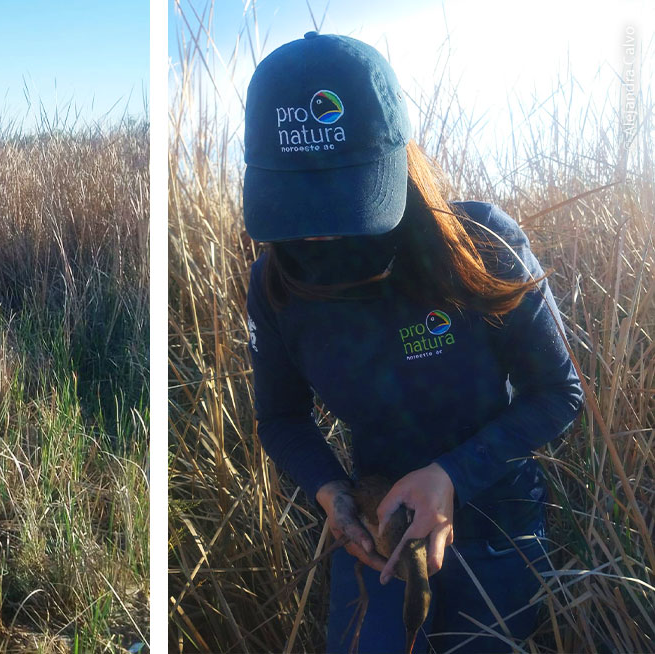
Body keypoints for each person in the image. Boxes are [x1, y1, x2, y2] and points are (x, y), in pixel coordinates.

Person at [240, 32, 584, 653]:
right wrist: (332, 495)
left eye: (341, 198)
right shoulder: (277, 283)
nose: (317, 236)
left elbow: (558, 394)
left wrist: (450, 477)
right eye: (296, 206)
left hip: (497, 530)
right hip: (376, 538)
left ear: (397, 159)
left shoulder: (479, 244)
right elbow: (280, 418)